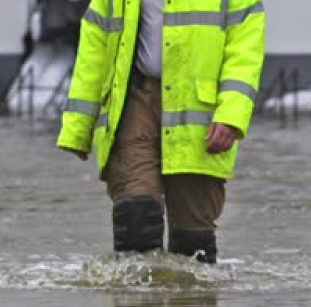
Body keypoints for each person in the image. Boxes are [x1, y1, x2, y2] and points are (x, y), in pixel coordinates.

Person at [56, 0, 266, 264]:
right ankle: (138, 304)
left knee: (193, 242)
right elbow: (94, 49)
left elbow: (245, 53)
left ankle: (191, 303)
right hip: (135, 102)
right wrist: (78, 126)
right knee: (135, 218)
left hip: (198, 110)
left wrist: (231, 116)